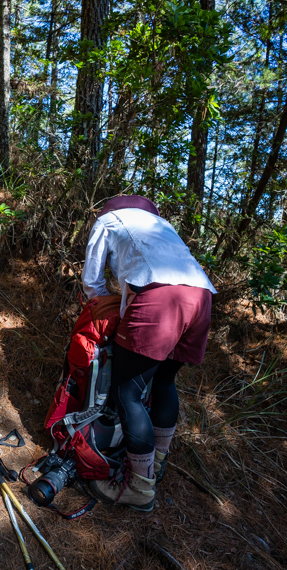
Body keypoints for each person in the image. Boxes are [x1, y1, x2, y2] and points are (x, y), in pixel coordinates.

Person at [81, 195, 216, 511]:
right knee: (164, 382)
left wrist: (105, 309)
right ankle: (154, 464)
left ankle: (140, 488)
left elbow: (92, 280)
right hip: (201, 296)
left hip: (160, 296)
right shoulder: (161, 224)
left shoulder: (108, 221)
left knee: (127, 392)